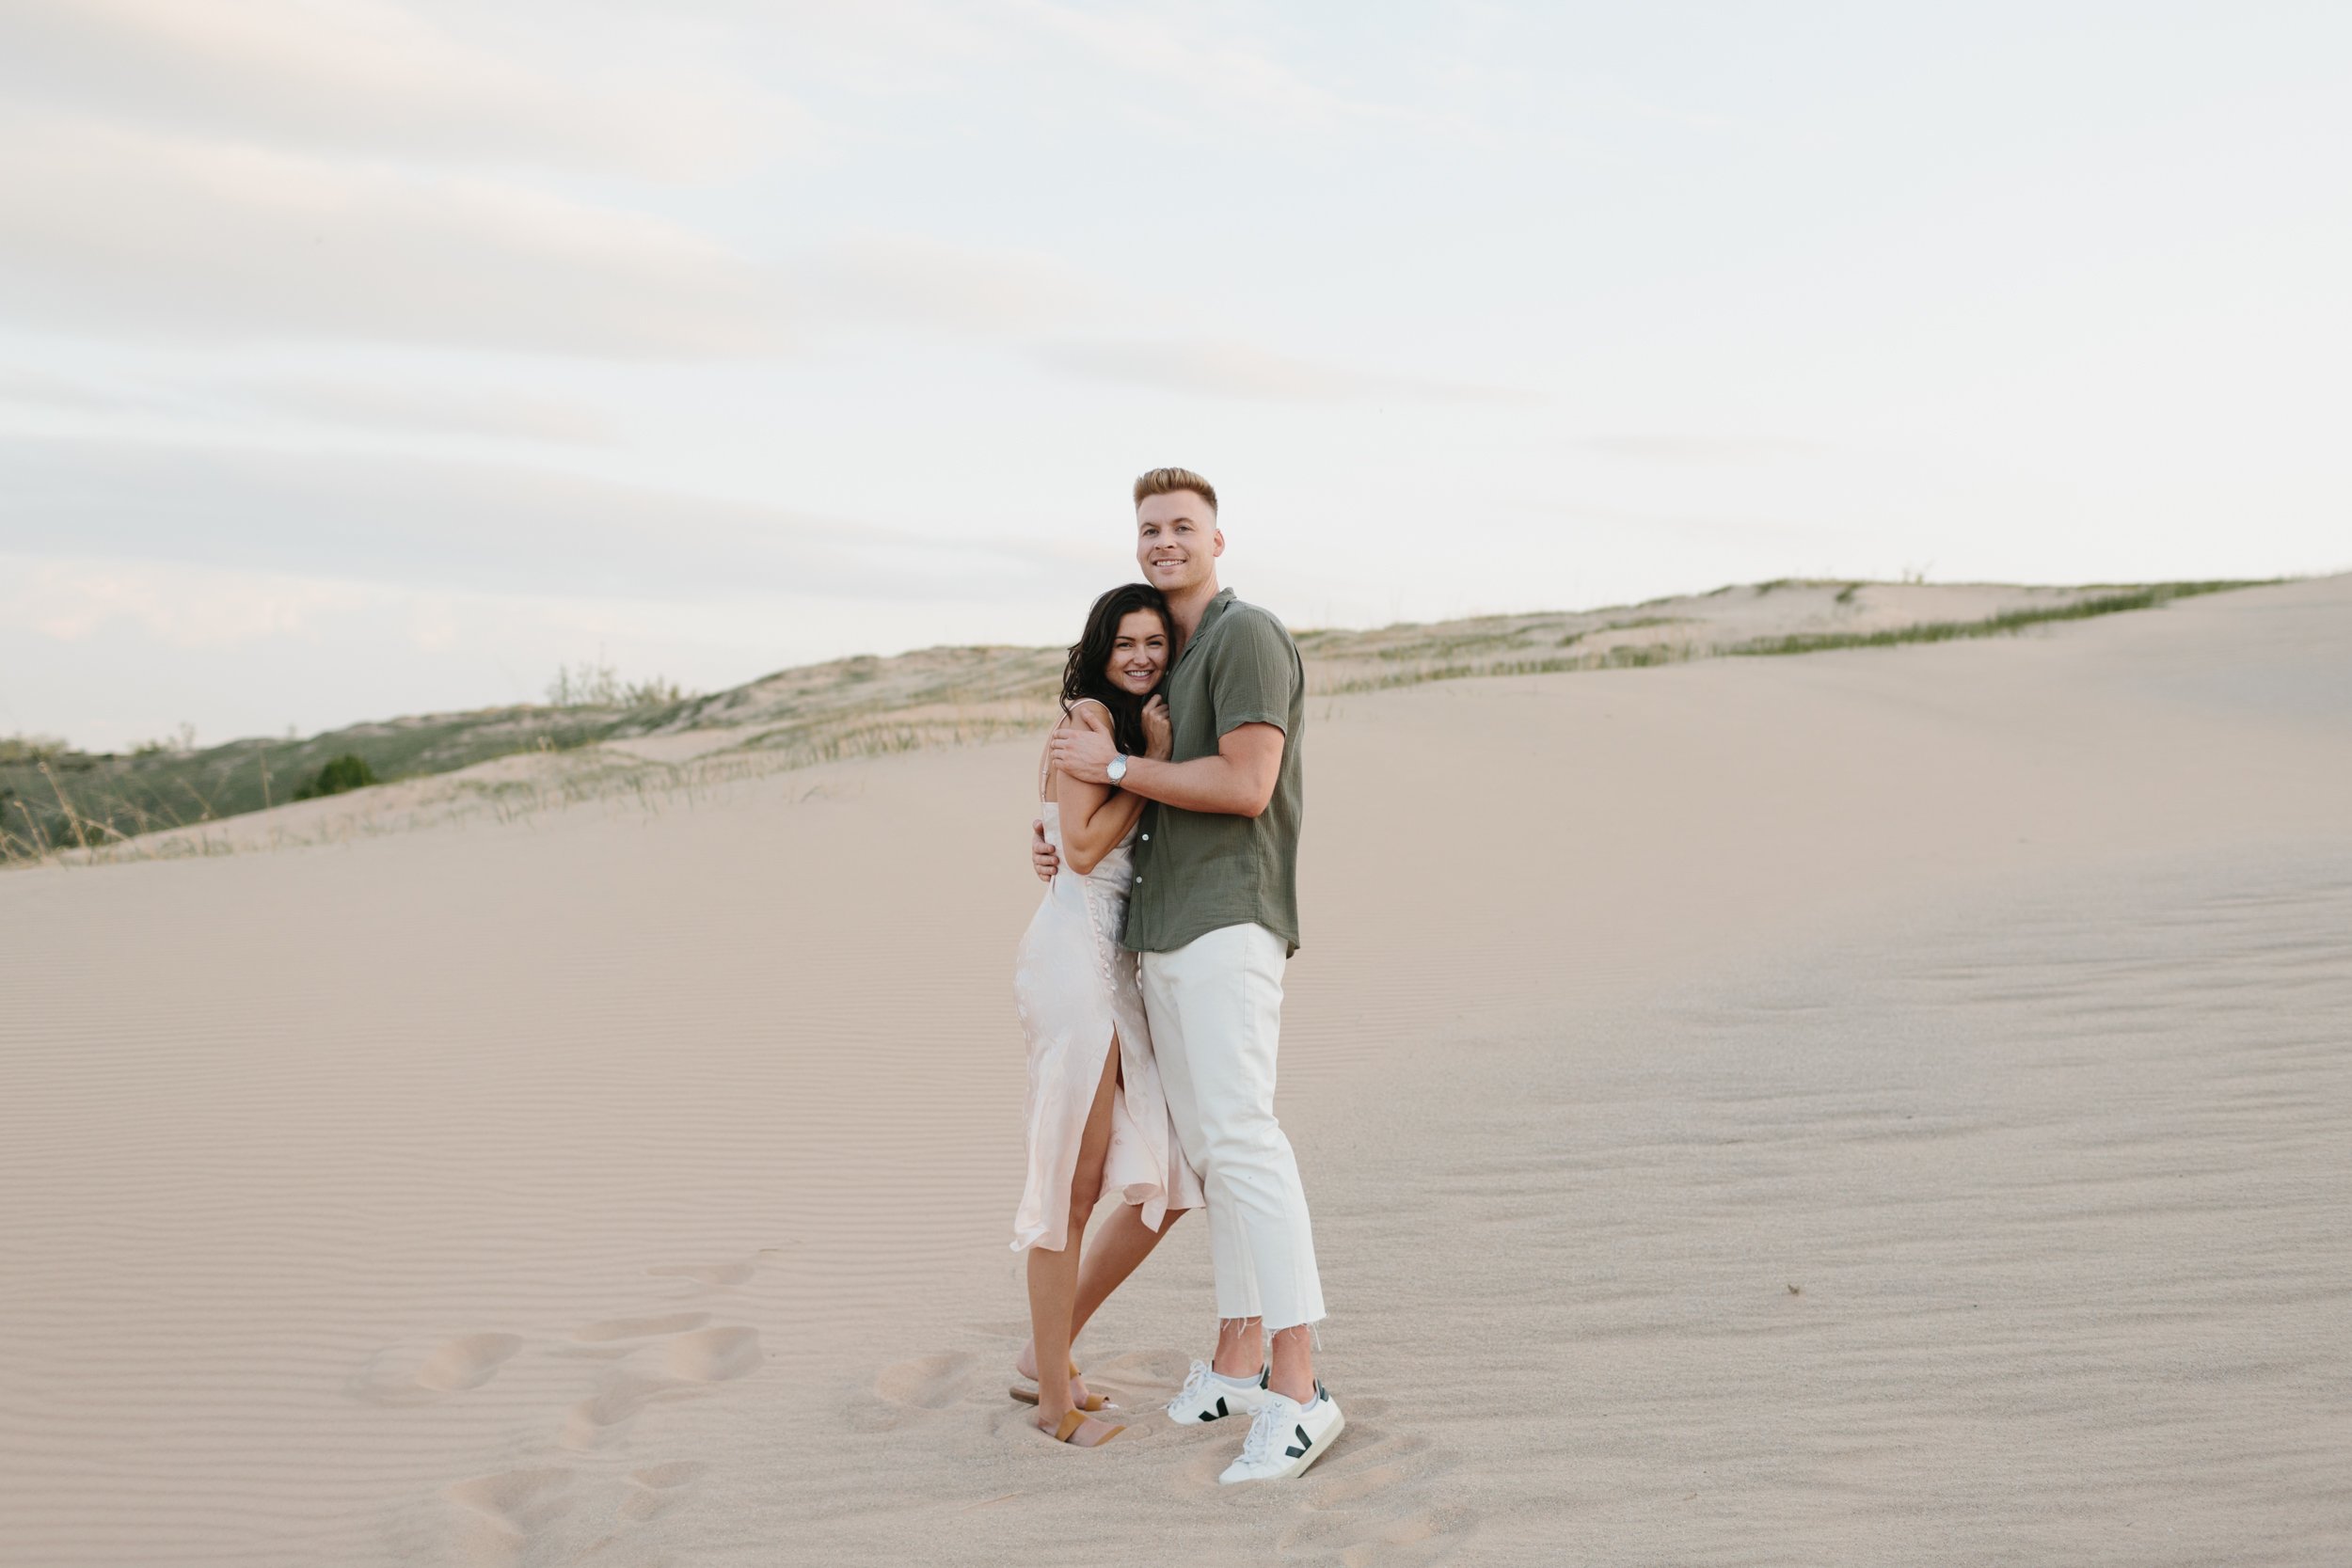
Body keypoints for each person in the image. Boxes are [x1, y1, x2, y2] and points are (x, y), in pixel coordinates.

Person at [1033, 467, 1343, 1484]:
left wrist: (1115, 771)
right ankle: (1238, 1353)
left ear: (1217, 538)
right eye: (1150, 528)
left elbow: (1247, 783)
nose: (1164, 540)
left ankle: (1300, 1389)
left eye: (1182, 526)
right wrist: (1061, 831)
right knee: (1211, 1152)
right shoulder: (1171, 654)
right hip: (1162, 929)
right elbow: (1123, 811)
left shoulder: (1245, 635)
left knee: (1243, 1137)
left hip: (1225, 920)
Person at [1009, 581, 1203, 1448]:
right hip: (1074, 963)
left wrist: (1142, 763)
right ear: (1099, 647)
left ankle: (1046, 1357)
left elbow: (1064, 833)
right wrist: (1143, 765)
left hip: (1111, 967)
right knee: (1072, 1188)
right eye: (1124, 641)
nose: (1141, 655)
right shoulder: (1092, 721)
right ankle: (1054, 1401)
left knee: (1166, 1180)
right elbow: (1082, 851)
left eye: (1154, 642)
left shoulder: (1118, 732)